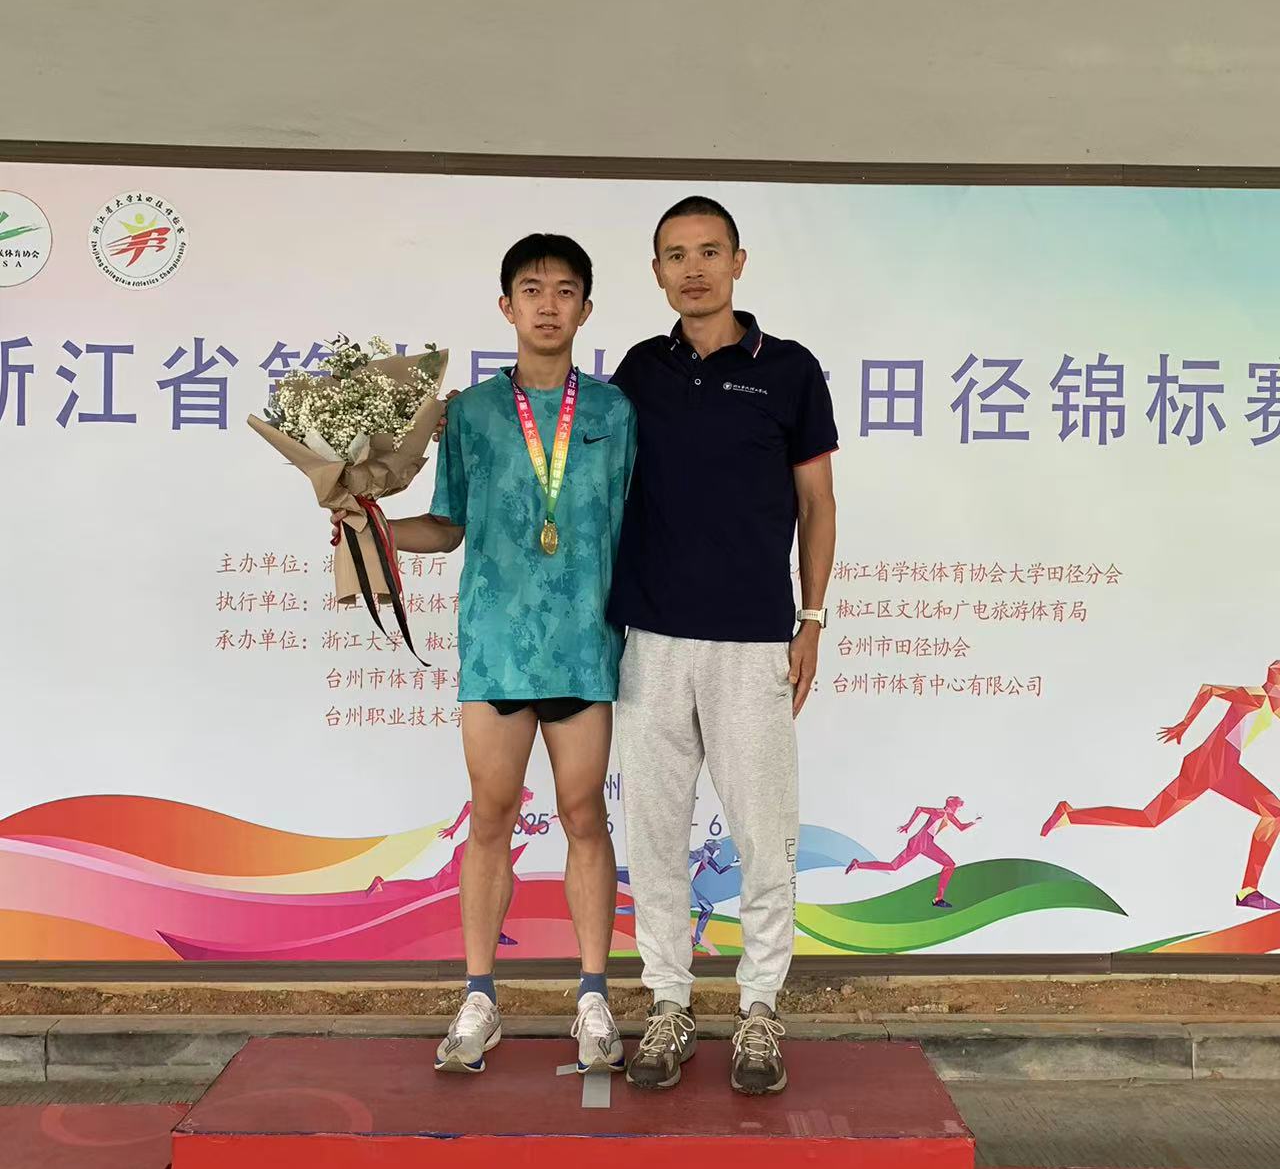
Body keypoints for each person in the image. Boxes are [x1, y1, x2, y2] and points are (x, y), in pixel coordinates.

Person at [335, 234, 636, 1075]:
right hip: (497, 646)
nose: (548, 304)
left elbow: (640, 525)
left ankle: (592, 995)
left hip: (584, 644)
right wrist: (371, 527)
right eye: (531, 289)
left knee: (584, 814)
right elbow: (448, 525)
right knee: (492, 814)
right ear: (506, 305)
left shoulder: (614, 413)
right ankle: (478, 996)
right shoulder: (468, 412)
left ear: (586, 307)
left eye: (565, 290)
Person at [608, 195, 838, 1095]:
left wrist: (811, 619)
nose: (693, 268)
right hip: (653, 639)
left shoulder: (790, 369)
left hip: (753, 642)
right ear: (657, 271)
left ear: (739, 262)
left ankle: (760, 1008)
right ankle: (668, 1000)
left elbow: (817, 503)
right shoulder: (639, 370)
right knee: (655, 832)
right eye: (676, 254)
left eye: (709, 251)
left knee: (764, 834)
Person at [1042, 660, 1280, 911]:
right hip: (1212, 769)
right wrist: (1184, 725)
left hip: (1216, 768)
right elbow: (1209, 689)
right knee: (1273, 814)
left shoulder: (1266, 704)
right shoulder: (1253, 698)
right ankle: (1247, 891)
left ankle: (1069, 815)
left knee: (1148, 818)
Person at [846, 796, 981, 908]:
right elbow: (919, 809)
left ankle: (857, 865)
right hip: (922, 844)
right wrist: (908, 825)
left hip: (922, 844)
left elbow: (961, 827)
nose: (958, 809)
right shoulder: (940, 812)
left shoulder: (948, 816)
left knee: (894, 866)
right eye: (958, 807)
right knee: (949, 864)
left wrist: (974, 822)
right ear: (953, 806)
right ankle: (938, 899)